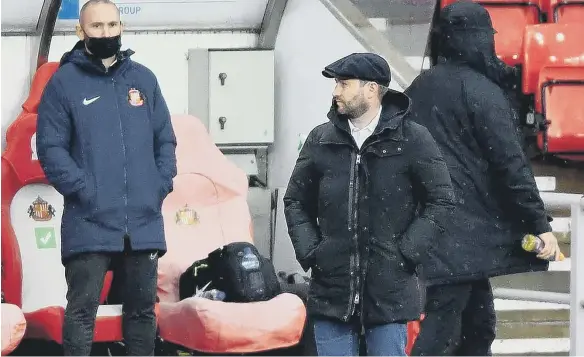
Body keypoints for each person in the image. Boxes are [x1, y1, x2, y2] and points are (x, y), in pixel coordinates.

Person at [404, 2, 561, 355]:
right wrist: (539, 223)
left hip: (437, 228)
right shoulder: (483, 92)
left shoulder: (418, 88)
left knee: (478, 327)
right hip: (462, 233)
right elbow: (511, 166)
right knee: (444, 332)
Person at [283, 52, 455, 356]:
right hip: (332, 291)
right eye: (336, 83)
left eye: (344, 84)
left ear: (372, 89)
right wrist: (312, 251)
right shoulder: (320, 139)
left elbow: (441, 200)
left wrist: (407, 253)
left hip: (389, 291)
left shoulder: (413, 139)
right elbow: (296, 200)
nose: (336, 91)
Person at [36, 0, 177, 355]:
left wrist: (159, 185)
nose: (106, 33)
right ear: (80, 31)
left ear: (121, 27)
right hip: (90, 221)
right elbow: (51, 149)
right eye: (97, 27)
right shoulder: (63, 83)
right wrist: (86, 190)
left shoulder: (143, 79)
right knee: (82, 312)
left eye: (112, 25)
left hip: (142, 221)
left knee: (143, 313)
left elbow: (165, 139)